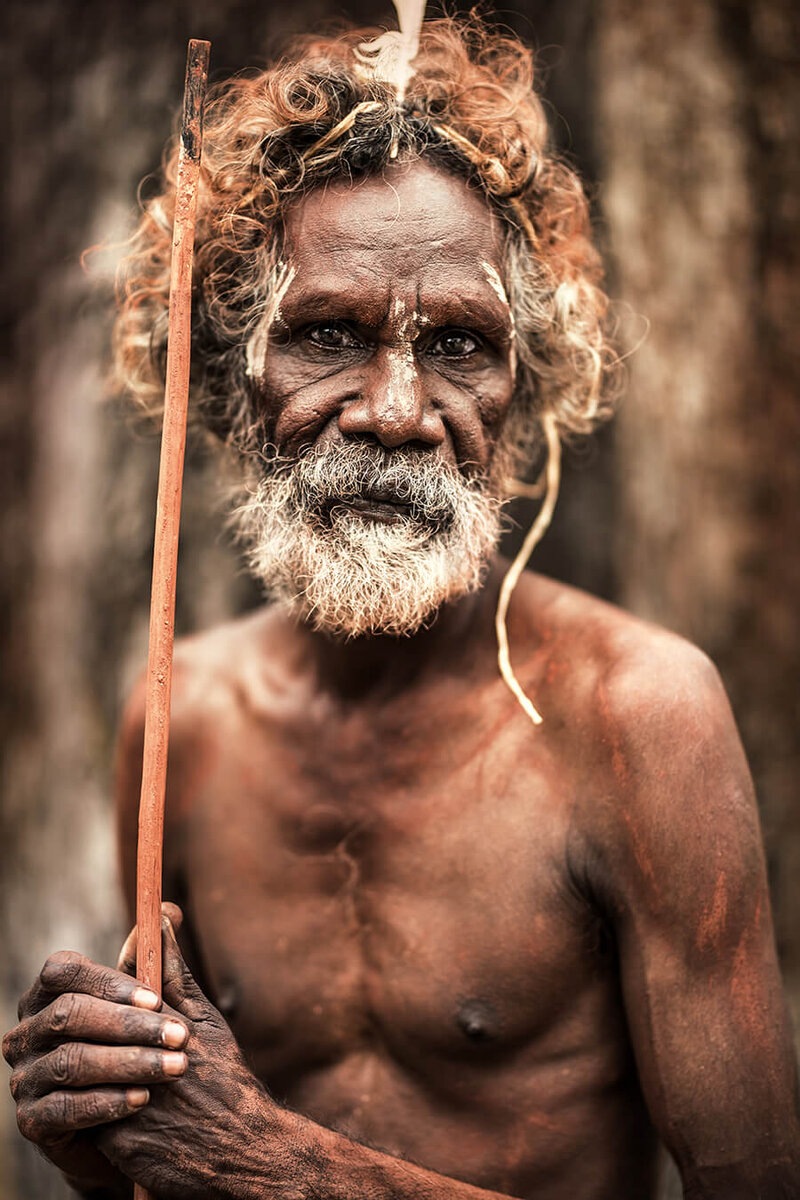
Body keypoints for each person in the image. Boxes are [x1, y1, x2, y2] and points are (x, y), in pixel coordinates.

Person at [3, 16, 799, 1200]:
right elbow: (185, 1148)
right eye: (327, 335)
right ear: (227, 380)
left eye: (461, 348)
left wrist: (273, 1163)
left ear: (525, 394)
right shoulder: (185, 727)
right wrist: (108, 1145)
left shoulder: (637, 718)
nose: (395, 410)